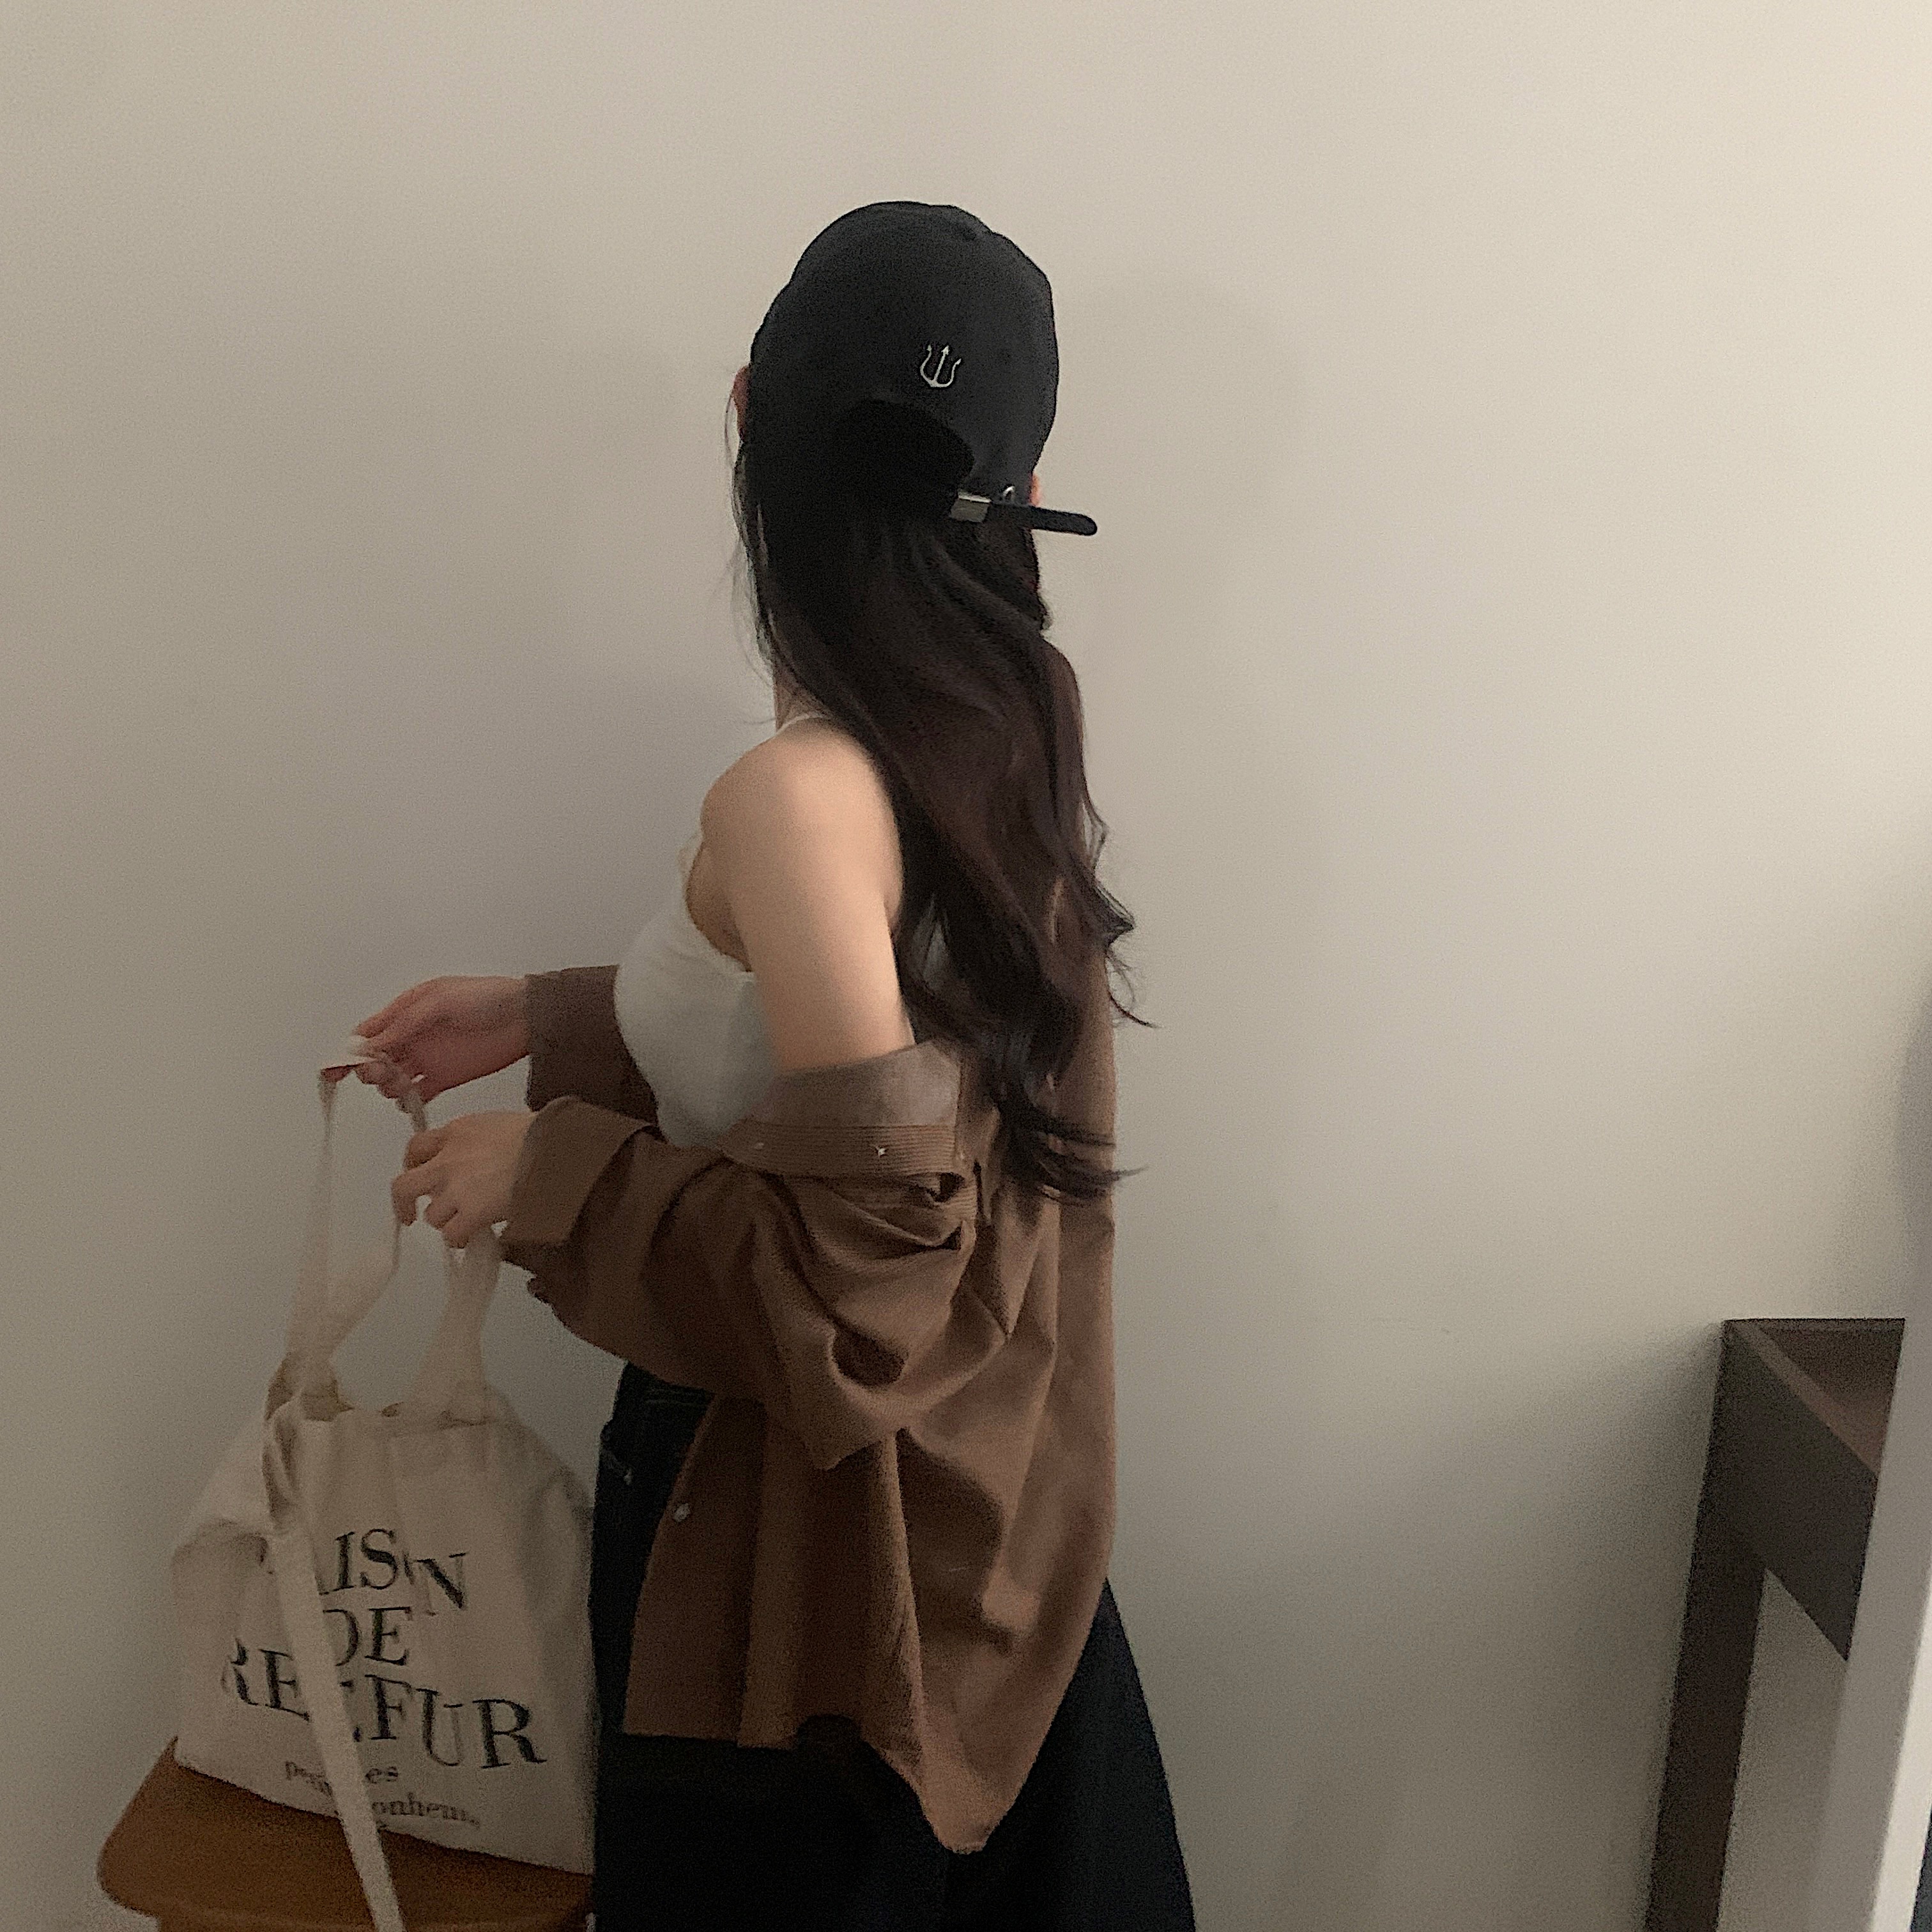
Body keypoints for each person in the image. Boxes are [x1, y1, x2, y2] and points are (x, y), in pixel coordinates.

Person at [326, 201, 1195, 1931]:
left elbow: (867, 1285)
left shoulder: (797, 798)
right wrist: (554, 1017)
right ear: (1023, 489)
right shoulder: (1001, 727)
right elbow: (866, 1080)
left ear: (746, 416)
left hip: (803, 1615)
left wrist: (550, 1177)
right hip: (988, 1553)